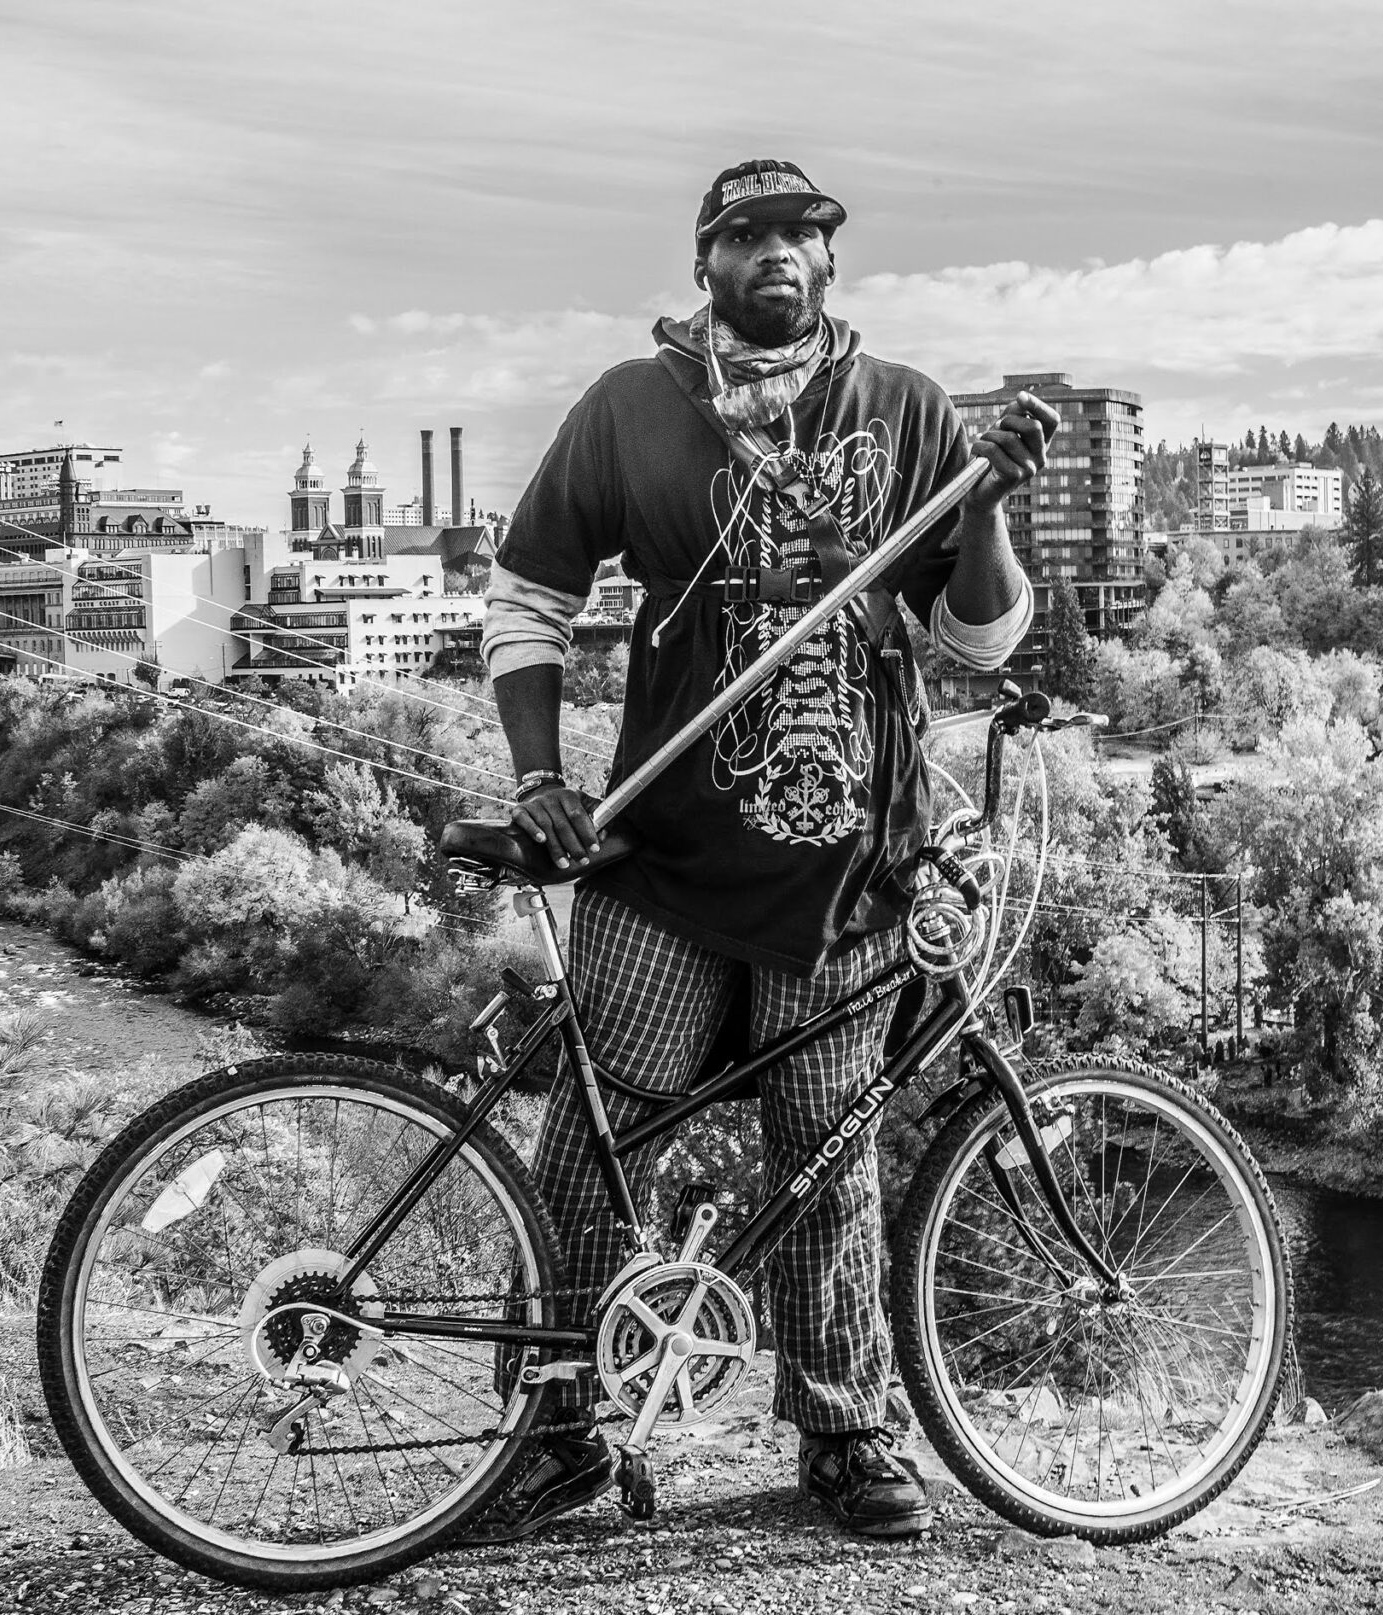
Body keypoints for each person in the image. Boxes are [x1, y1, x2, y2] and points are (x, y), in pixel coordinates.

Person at [469, 157, 1056, 1543]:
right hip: (663, 860)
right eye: (746, 234)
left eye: (803, 231)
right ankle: (556, 1431)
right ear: (705, 263)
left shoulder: (907, 411)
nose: (777, 251)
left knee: (828, 1156)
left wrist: (982, 506)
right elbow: (526, 599)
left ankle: (847, 1435)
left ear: (833, 261)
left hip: (849, 872)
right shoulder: (630, 407)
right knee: (599, 1148)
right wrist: (540, 777)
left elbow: (980, 644)